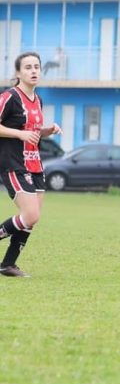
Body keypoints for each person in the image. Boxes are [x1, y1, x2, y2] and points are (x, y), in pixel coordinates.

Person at [0, 52, 62, 277]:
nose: (34, 70)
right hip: (13, 164)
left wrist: (47, 131)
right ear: (18, 73)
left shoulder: (38, 99)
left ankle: (7, 265)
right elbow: (20, 132)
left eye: (37, 66)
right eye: (28, 67)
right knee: (31, 215)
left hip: (35, 164)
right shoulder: (9, 97)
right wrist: (19, 134)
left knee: (31, 220)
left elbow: (33, 133)